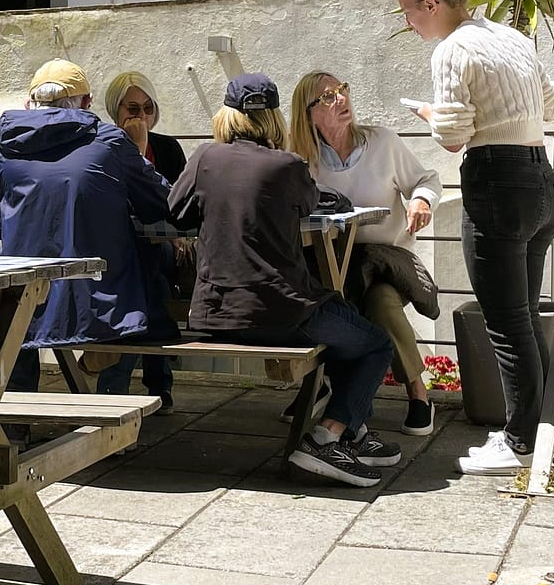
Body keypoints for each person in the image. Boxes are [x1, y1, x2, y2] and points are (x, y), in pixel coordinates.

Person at [168, 73, 400, 488]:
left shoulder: (204, 158)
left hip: (214, 313)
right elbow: (313, 201)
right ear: (274, 118)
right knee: (375, 343)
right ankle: (327, 438)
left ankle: (353, 429)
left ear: (227, 116)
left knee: (341, 309)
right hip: (279, 312)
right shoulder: (287, 166)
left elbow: (177, 213)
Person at [392, 0, 554, 477]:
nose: (409, 23)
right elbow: (550, 106)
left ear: (433, 4)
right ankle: (532, 431)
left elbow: (453, 137)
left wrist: (428, 114)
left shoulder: (451, 50)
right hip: (541, 180)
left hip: (495, 181)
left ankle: (517, 441)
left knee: (505, 320)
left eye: (409, 13)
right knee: (526, 315)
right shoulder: (512, 37)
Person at [0, 59, 173, 402]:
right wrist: (137, 154)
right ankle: (115, 405)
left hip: (27, 297)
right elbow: (159, 201)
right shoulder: (110, 141)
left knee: (17, 309)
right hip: (98, 300)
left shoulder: (8, 144)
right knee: (145, 278)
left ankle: (14, 421)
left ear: (31, 104)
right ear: (87, 103)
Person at [290, 71, 444, 436]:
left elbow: (427, 179)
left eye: (342, 90)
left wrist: (422, 200)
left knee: (380, 302)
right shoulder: (301, 159)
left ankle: (418, 393)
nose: (341, 99)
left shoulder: (382, 142)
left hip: (389, 262)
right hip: (328, 264)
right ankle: (325, 388)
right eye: (328, 97)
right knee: (321, 299)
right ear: (308, 113)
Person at [103, 70, 187, 413]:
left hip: (162, 248)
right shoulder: (103, 146)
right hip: (118, 253)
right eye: (133, 108)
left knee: (144, 277)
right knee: (154, 287)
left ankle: (113, 392)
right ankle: (157, 387)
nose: (141, 117)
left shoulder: (166, 147)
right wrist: (134, 151)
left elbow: (175, 204)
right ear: (115, 110)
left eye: (148, 109)